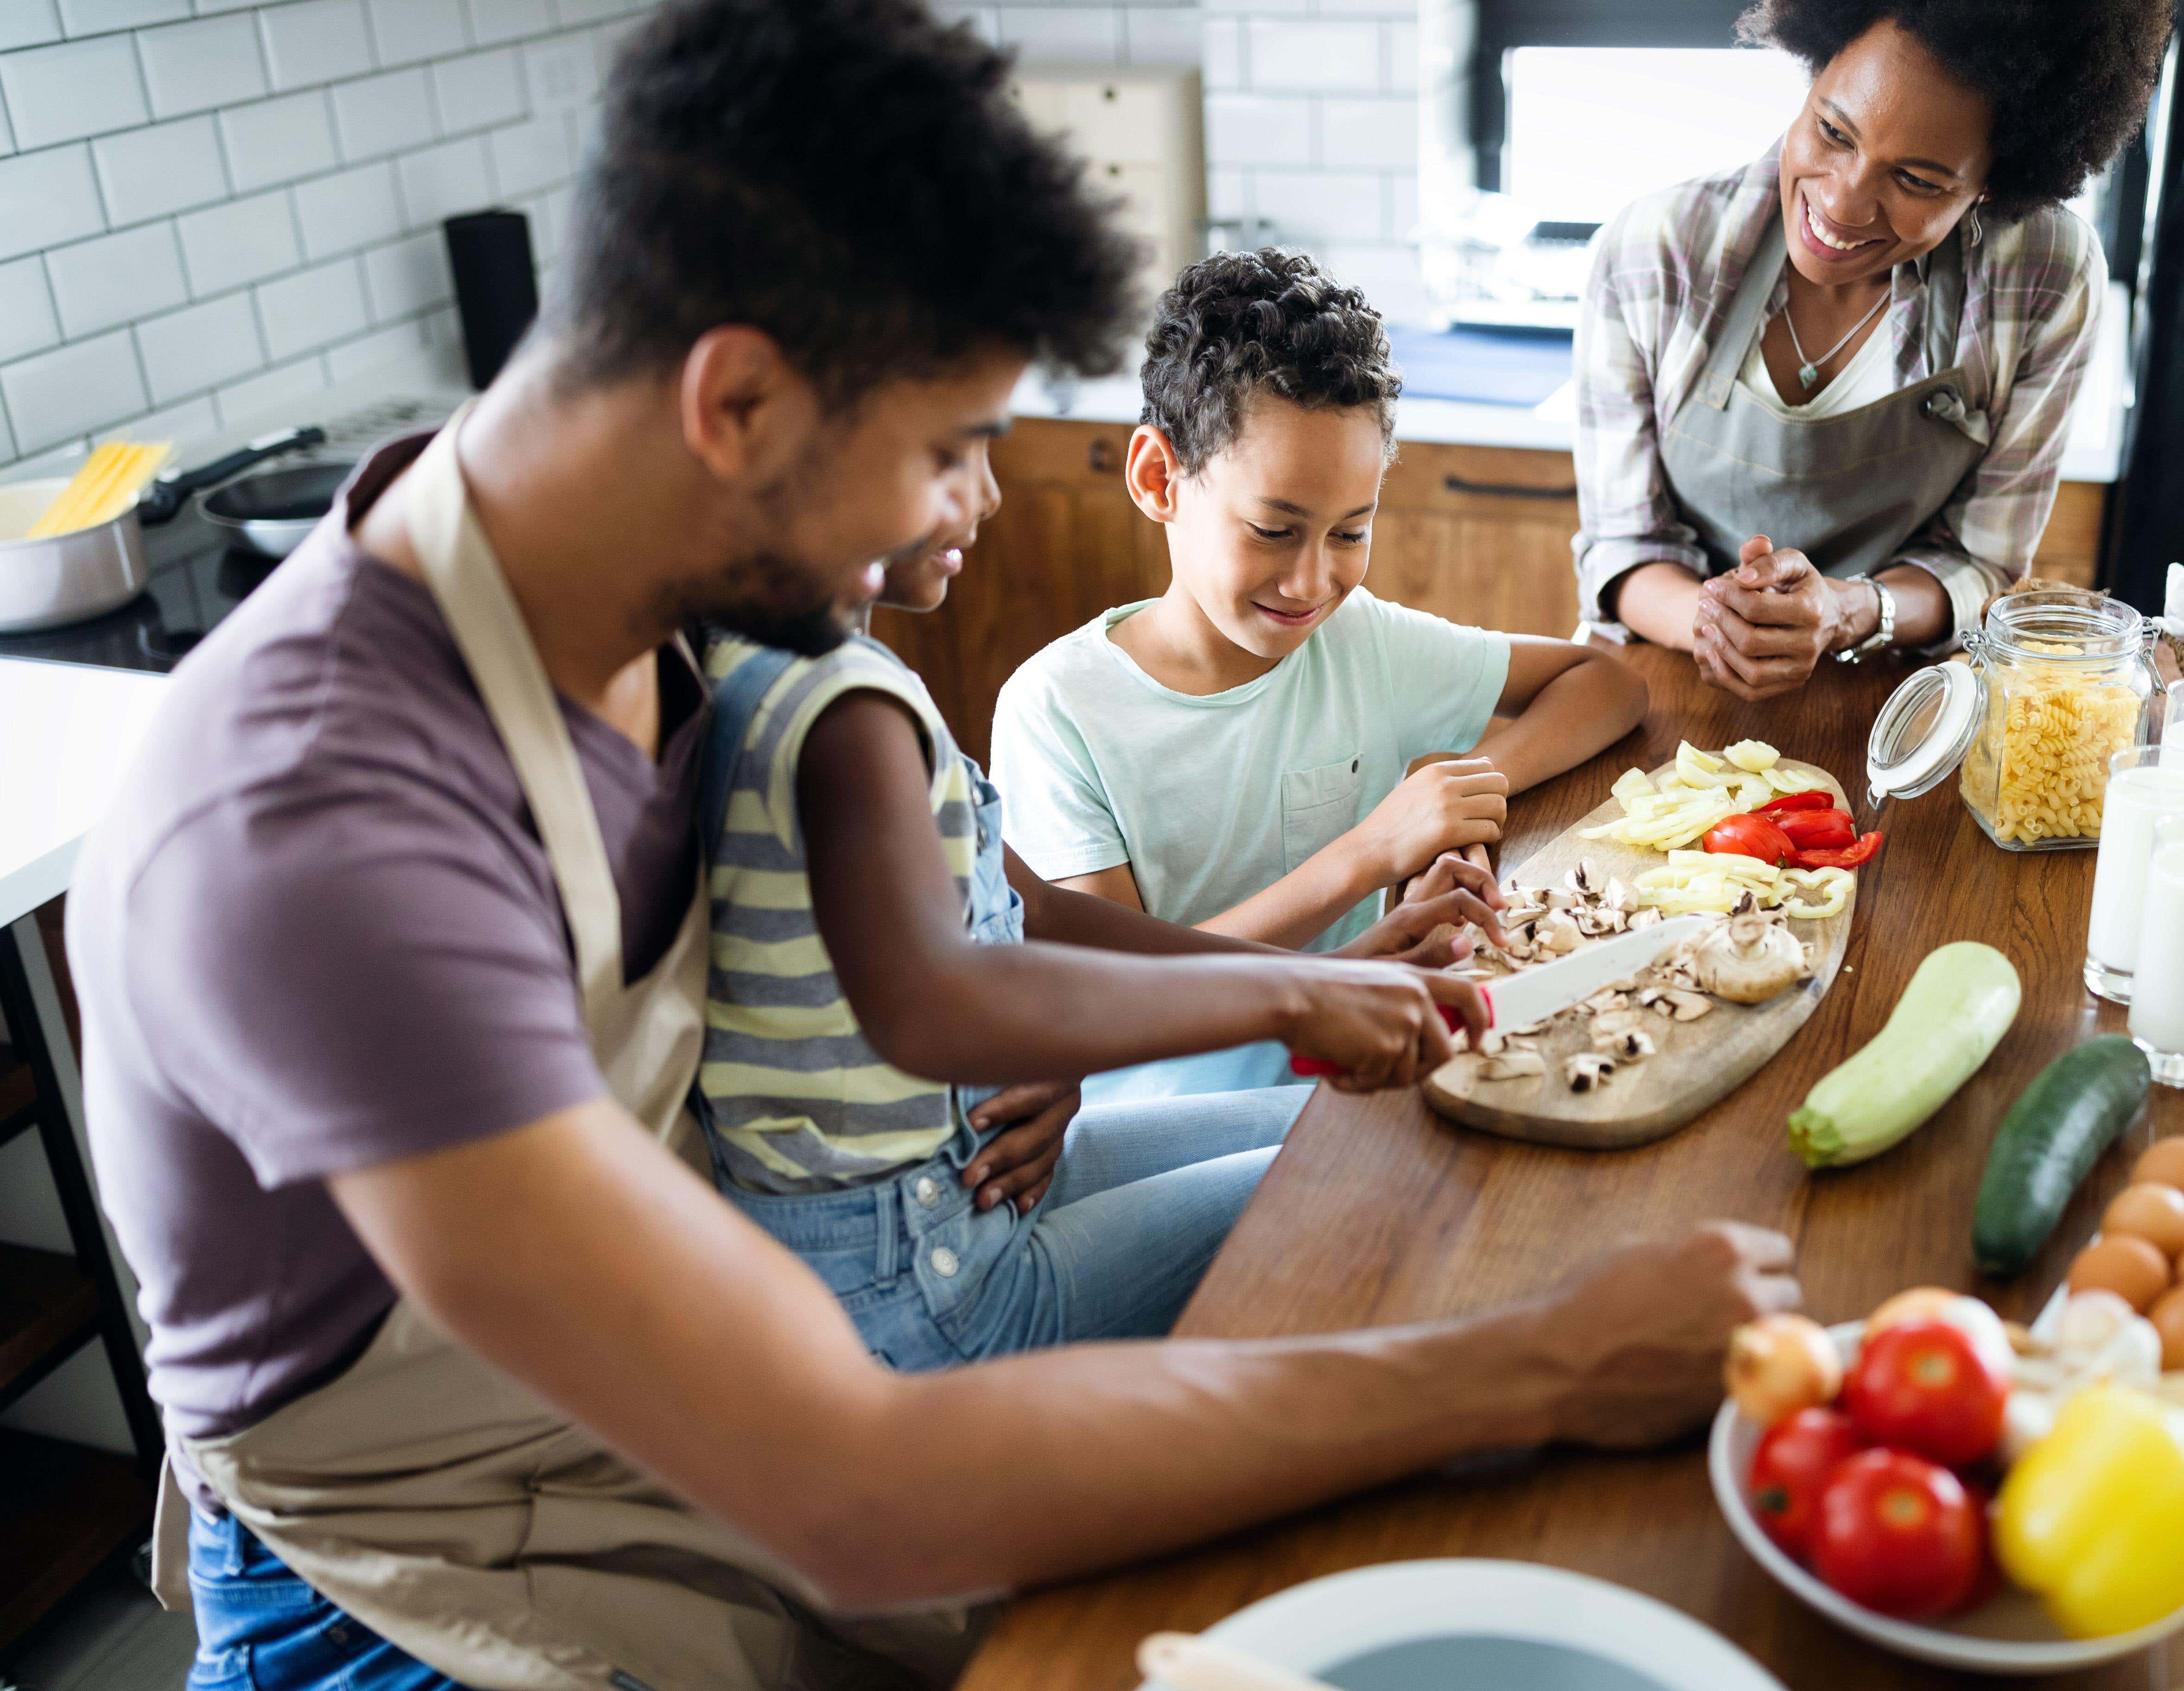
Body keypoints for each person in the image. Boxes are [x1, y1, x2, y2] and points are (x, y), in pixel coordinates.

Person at [67, 4, 1799, 1689]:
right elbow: (861, 1483)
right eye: (947, 448)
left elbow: (980, 935)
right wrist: (1549, 1364)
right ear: (735, 404)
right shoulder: (313, 833)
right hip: (427, 1584)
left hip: (667, 1408)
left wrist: (1292, 984)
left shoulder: (643, 580)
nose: (956, 509)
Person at [694, 451, 1504, 1367]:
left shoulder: (810, 665)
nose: (989, 493)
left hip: (966, 1183)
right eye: (948, 448)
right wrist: (1301, 1002)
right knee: (1395, 1165)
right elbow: (934, 1006)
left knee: (1391, 1120)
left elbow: (1031, 907)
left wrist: (1321, 972)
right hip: (930, 1283)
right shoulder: (839, 712)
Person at [993, 248, 1649, 1099]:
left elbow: (1608, 687)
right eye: (1273, 530)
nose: (1312, 584)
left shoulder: (1358, 642)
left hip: (1355, 1077)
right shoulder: (1058, 711)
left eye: (1350, 534)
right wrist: (1369, 855)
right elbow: (1118, 996)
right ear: (1160, 478)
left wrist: (1461, 784)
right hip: (1164, 1122)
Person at [1572, 0, 2171, 699]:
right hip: (1667, 679)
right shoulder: (1656, 249)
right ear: (1813, 66)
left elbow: (1983, 564)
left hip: (1901, 701)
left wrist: (1848, 610)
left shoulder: (2043, 272)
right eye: (1833, 131)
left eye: (1916, 180)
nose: (1843, 204)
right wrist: (1717, 624)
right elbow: (1624, 545)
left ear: (1992, 186)